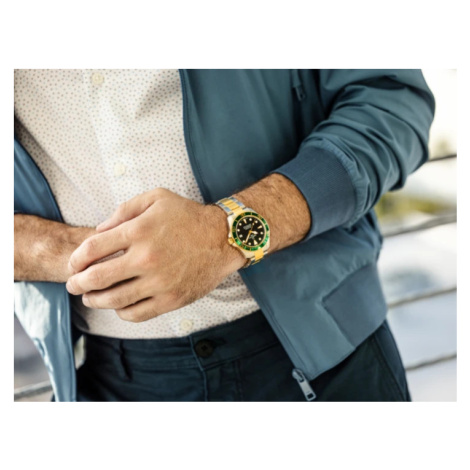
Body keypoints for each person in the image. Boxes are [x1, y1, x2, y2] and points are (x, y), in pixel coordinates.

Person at [14, 69, 435, 401]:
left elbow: (390, 100)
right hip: (106, 377)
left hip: (326, 352)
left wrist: (221, 236)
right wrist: (70, 252)